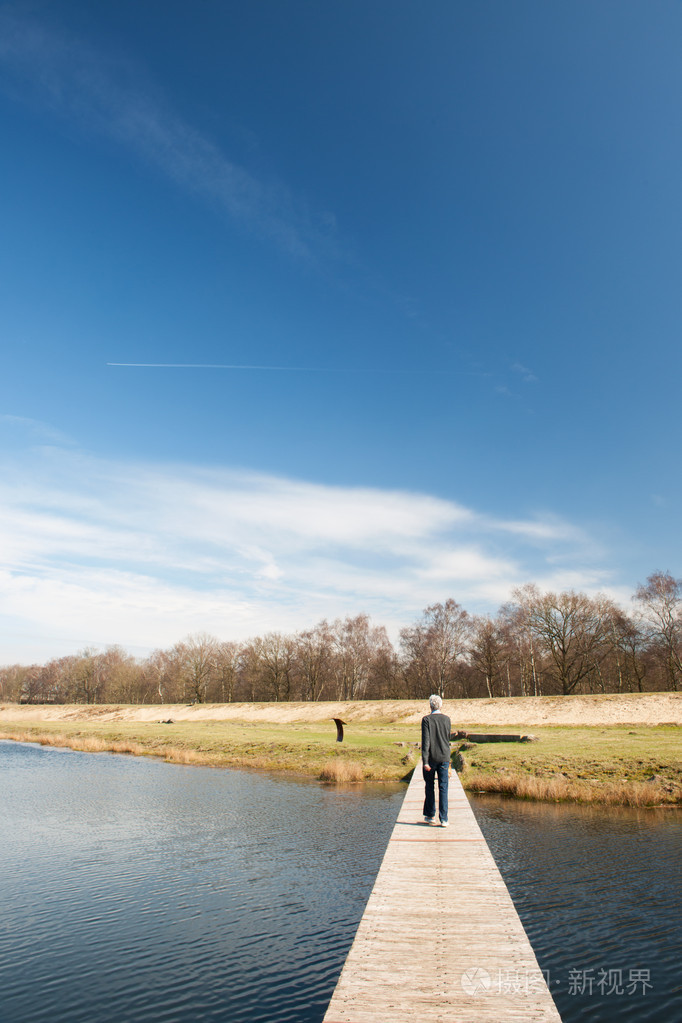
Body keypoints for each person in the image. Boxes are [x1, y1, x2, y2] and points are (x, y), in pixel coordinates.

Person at [421, 694, 451, 827]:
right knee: (443, 788)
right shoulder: (447, 719)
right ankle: (444, 818)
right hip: (444, 757)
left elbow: (426, 741)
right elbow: (447, 739)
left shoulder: (426, 720)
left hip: (431, 758)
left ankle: (430, 815)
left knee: (429, 786)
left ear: (430, 705)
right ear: (441, 705)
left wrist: (425, 761)